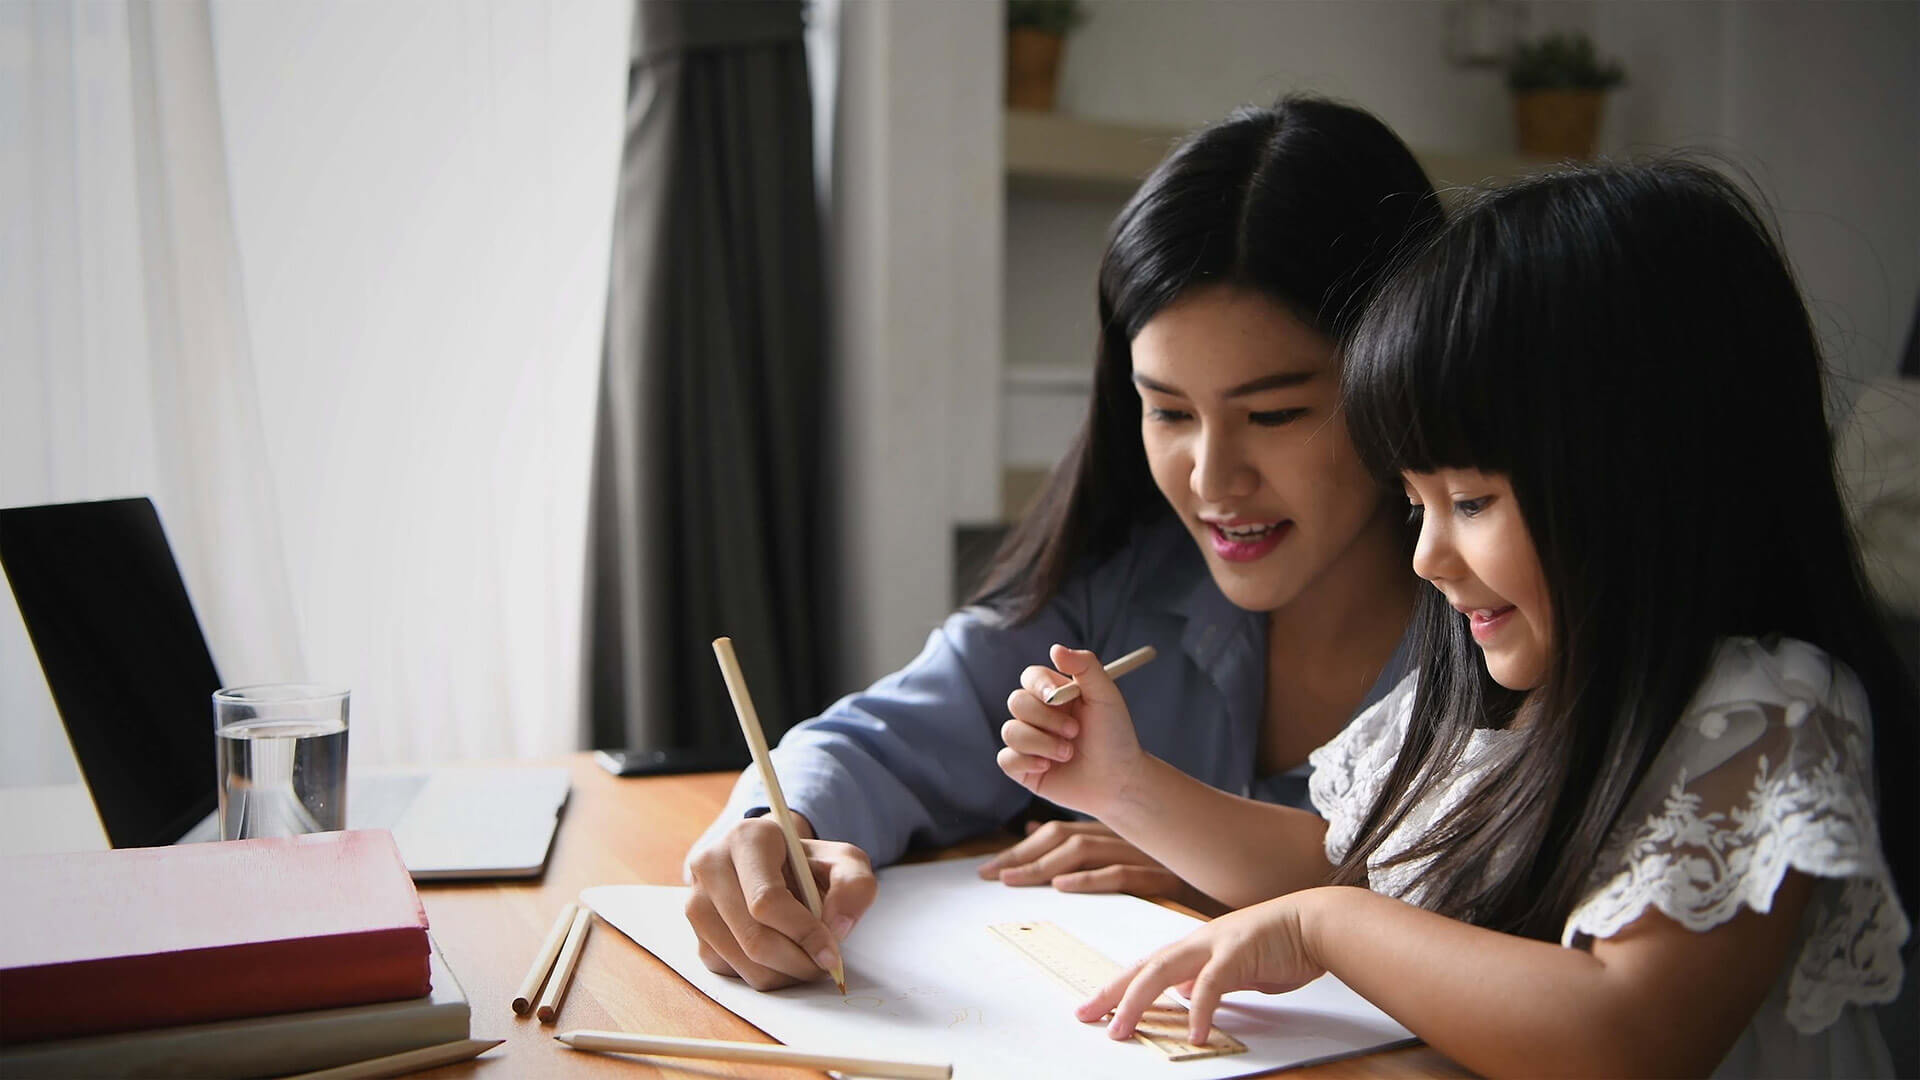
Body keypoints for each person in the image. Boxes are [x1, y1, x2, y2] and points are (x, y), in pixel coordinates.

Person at [1002, 161, 1917, 1077]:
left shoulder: (1762, 715)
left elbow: (1627, 1035)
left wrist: (1327, 928)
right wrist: (1123, 785)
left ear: (1648, 483)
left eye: (1472, 502)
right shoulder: (1498, 698)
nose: (1426, 558)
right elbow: (1339, 863)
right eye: (1416, 504)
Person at [682, 95, 1445, 991]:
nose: (1210, 479)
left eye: (1274, 413)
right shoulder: (1117, 583)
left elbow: (1492, 897)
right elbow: (877, 741)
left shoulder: (1506, 634)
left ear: (1407, 376)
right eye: (1166, 410)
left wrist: (1213, 864)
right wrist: (776, 829)